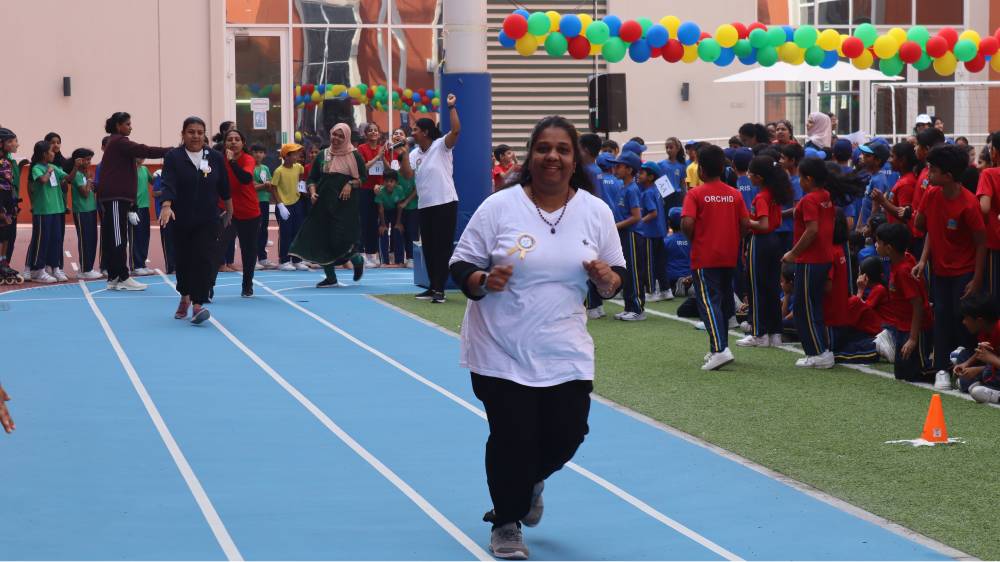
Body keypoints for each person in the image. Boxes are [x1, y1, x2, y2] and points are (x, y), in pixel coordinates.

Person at [448, 115, 625, 561]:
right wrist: (483, 280)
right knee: (512, 436)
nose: (553, 157)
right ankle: (507, 522)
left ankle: (526, 483)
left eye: (563, 149)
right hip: (499, 346)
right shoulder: (500, 207)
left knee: (569, 432)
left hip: (564, 347)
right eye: (544, 148)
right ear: (531, 156)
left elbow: (616, 274)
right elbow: (461, 264)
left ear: (575, 159)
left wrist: (608, 280)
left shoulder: (595, 211)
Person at [913, 144, 986, 390]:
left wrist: (976, 279)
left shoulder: (969, 204)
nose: (928, 173)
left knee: (963, 319)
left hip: (964, 272)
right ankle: (941, 369)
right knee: (941, 318)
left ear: (949, 175)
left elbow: (981, 243)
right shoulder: (931, 194)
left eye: (933, 170)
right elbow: (929, 229)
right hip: (940, 272)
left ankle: (968, 367)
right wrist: (923, 260)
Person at [158, 116, 232, 325]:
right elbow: (168, 183)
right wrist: (166, 205)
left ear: (204, 135)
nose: (196, 136)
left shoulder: (214, 157)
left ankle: (198, 304)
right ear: (183, 134)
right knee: (183, 260)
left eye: (200, 132)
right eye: (191, 132)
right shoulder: (174, 157)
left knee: (204, 259)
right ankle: (185, 297)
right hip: (180, 219)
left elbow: (224, 185)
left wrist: (229, 209)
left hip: (208, 219)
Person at [682, 144, 750, 370]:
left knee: (709, 303)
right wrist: (733, 239)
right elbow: (745, 224)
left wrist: (695, 238)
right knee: (722, 302)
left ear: (701, 169)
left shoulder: (695, 194)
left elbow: (687, 223)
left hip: (705, 256)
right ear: (723, 168)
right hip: (729, 255)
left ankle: (720, 350)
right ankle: (717, 348)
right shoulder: (735, 194)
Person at [290, 122, 370, 288]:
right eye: (335, 134)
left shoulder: (354, 155)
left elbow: (363, 178)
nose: (337, 138)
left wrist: (350, 184)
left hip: (346, 206)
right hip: (323, 204)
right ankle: (330, 277)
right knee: (322, 239)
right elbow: (312, 178)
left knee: (341, 239)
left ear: (347, 137)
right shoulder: (322, 154)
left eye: (341, 136)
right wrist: (312, 192)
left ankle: (356, 259)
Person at [99, 112, 172, 291]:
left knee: (115, 236)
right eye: (128, 124)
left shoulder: (116, 143)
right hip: (115, 198)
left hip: (118, 198)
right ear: (118, 125)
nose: (131, 127)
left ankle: (114, 277)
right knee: (118, 238)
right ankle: (123, 277)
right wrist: (170, 150)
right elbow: (144, 150)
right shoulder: (119, 141)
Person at [400, 93, 460, 304]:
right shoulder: (415, 153)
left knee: (442, 247)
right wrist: (403, 153)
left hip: (445, 203)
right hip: (424, 205)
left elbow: (456, 131)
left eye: (415, 130)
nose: (412, 133)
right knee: (429, 248)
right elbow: (408, 175)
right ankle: (432, 286)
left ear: (425, 132)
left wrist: (451, 107)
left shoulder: (441, 145)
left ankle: (440, 289)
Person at [782, 157, 838, 369]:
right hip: (823, 257)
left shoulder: (810, 200)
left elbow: (812, 230)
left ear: (809, 179)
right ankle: (821, 349)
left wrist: (793, 253)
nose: (799, 181)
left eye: (801, 177)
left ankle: (818, 352)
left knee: (803, 308)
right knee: (812, 305)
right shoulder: (826, 195)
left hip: (810, 259)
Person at [738, 154, 793, 348]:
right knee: (771, 288)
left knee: (756, 288)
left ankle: (759, 333)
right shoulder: (773, 193)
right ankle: (775, 333)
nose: (748, 176)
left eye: (750, 173)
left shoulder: (761, 196)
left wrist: (745, 220)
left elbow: (763, 224)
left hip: (761, 241)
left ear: (759, 177)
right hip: (774, 241)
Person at [876, 223, 933, 381]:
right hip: (902, 327)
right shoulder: (902, 259)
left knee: (914, 373)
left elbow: (917, 304)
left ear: (889, 248)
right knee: (901, 373)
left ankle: (945, 366)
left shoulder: (903, 271)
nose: (876, 245)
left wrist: (913, 338)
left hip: (916, 329)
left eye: (878, 242)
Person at [212, 129, 261, 297]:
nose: (233, 142)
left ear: (243, 143)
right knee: (218, 248)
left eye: (237, 139)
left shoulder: (248, 159)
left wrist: (232, 162)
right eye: (230, 139)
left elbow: (245, 179)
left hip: (249, 211)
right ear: (224, 143)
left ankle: (247, 285)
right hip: (227, 210)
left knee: (249, 250)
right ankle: (208, 286)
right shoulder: (219, 160)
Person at [26, 140, 76, 283]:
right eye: (51, 151)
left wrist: (76, 167)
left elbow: (68, 178)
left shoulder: (53, 167)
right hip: (43, 210)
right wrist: (48, 171)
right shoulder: (37, 168)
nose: (53, 153)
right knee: (42, 240)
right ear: (44, 154)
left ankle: (55, 267)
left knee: (56, 239)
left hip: (57, 209)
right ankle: (38, 270)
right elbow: (42, 180)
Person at [608, 150, 645, 320]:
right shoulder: (623, 187)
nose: (615, 169)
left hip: (632, 235)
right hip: (623, 234)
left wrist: (615, 226)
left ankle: (637, 309)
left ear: (629, 170)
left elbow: (636, 216)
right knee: (626, 270)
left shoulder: (632, 189)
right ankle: (629, 306)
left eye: (619, 166)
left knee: (634, 272)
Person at [954, 293, 1000, 404]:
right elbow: (982, 351)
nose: (964, 322)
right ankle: (982, 385)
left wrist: (988, 362)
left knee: (988, 373)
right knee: (963, 355)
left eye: (966, 318)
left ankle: (995, 393)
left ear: (979, 321)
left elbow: (990, 358)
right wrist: (966, 364)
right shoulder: (984, 330)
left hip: (994, 367)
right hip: (991, 366)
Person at [67, 148, 101, 280]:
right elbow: (85, 193)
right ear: (79, 160)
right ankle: (84, 269)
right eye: (87, 159)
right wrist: (89, 180)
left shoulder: (84, 174)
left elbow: (92, 190)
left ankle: (89, 268)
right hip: (82, 211)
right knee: (85, 240)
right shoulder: (76, 175)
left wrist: (91, 182)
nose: (89, 162)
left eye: (90, 159)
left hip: (91, 210)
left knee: (92, 239)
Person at [386, 127, 419, 268]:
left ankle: (412, 257)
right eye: (401, 162)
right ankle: (399, 259)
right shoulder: (396, 174)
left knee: (412, 232)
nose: (403, 164)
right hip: (399, 208)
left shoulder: (413, 173)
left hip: (412, 207)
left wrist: (406, 201)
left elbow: (417, 189)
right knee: (398, 231)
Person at [636, 161, 668, 302]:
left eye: (642, 173)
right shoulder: (656, 190)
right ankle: (666, 290)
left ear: (650, 177)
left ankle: (651, 291)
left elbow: (653, 213)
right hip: (659, 231)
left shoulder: (647, 193)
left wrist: (639, 221)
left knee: (648, 263)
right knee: (660, 262)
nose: (638, 175)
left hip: (649, 233)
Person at [273, 143, 307, 271]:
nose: (298, 156)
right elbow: (273, 188)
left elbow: (301, 178)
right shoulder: (279, 171)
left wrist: (300, 188)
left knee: (297, 232)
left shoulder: (299, 167)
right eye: (295, 154)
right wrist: (280, 205)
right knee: (285, 233)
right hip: (284, 205)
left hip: (297, 203)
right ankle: (284, 260)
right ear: (286, 156)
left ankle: (297, 260)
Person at [357, 123, 386, 267]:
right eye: (370, 131)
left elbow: (387, 170)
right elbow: (363, 168)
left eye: (375, 130)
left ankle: (372, 253)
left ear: (379, 134)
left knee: (375, 222)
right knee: (364, 221)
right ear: (366, 134)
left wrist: (382, 185)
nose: (373, 132)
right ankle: (361, 253)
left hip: (378, 190)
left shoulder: (383, 148)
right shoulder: (362, 148)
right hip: (364, 189)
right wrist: (377, 157)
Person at [976, 133, 1000, 298]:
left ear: (994, 152)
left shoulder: (989, 174)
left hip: (995, 241)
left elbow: (984, 208)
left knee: (994, 293)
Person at [251, 144, 277, 269]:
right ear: (251, 153)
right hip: (253, 202)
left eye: (261, 152)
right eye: (256, 152)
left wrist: (267, 185)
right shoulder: (250, 167)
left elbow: (270, 183)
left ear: (264, 154)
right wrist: (263, 185)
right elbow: (251, 186)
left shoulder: (265, 168)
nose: (258, 154)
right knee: (254, 230)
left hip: (264, 202)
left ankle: (263, 258)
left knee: (263, 230)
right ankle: (252, 259)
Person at [0, 129, 20, 282]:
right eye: (11, 141)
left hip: (8, 203)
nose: (15, 144)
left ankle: (3, 263)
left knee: (6, 236)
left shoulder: (6, 161)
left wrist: (13, 206)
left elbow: (10, 185)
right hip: (1, 204)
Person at [375, 169, 406, 266]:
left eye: (391, 181)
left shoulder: (399, 189)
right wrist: (383, 225)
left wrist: (398, 223)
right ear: (383, 182)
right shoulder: (380, 191)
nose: (389, 184)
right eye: (386, 181)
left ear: (396, 182)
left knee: (398, 231)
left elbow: (400, 207)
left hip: (395, 212)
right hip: (384, 213)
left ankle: (399, 261)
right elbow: (380, 209)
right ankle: (384, 261)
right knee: (382, 232)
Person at [129, 158, 154, 276]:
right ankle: (135, 265)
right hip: (135, 208)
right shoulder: (129, 170)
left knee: (145, 236)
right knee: (136, 237)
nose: (142, 157)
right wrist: (130, 210)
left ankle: (142, 263)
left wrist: (159, 175)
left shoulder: (145, 169)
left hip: (145, 206)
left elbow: (153, 182)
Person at [663, 208, 690, 298]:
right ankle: (687, 286)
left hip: (672, 277)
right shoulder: (692, 240)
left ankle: (676, 287)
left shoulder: (666, 241)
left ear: (669, 222)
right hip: (690, 276)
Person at [657, 137, 688, 210]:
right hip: (666, 196)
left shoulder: (681, 165)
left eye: (671, 147)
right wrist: (660, 198)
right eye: (667, 148)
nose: (668, 150)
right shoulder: (661, 164)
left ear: (677, 149)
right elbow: (659, 182)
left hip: (677, 196)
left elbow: (682, 183)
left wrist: (685, 197)